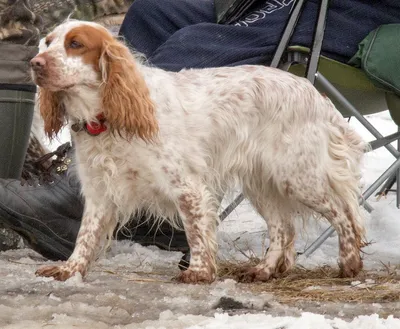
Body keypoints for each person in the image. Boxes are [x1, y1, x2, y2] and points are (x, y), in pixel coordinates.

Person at [0, 0, 400, 261]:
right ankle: (138, 194)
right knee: (153, 12)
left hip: (367, 12)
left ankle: (85, 199)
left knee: (197, 42)